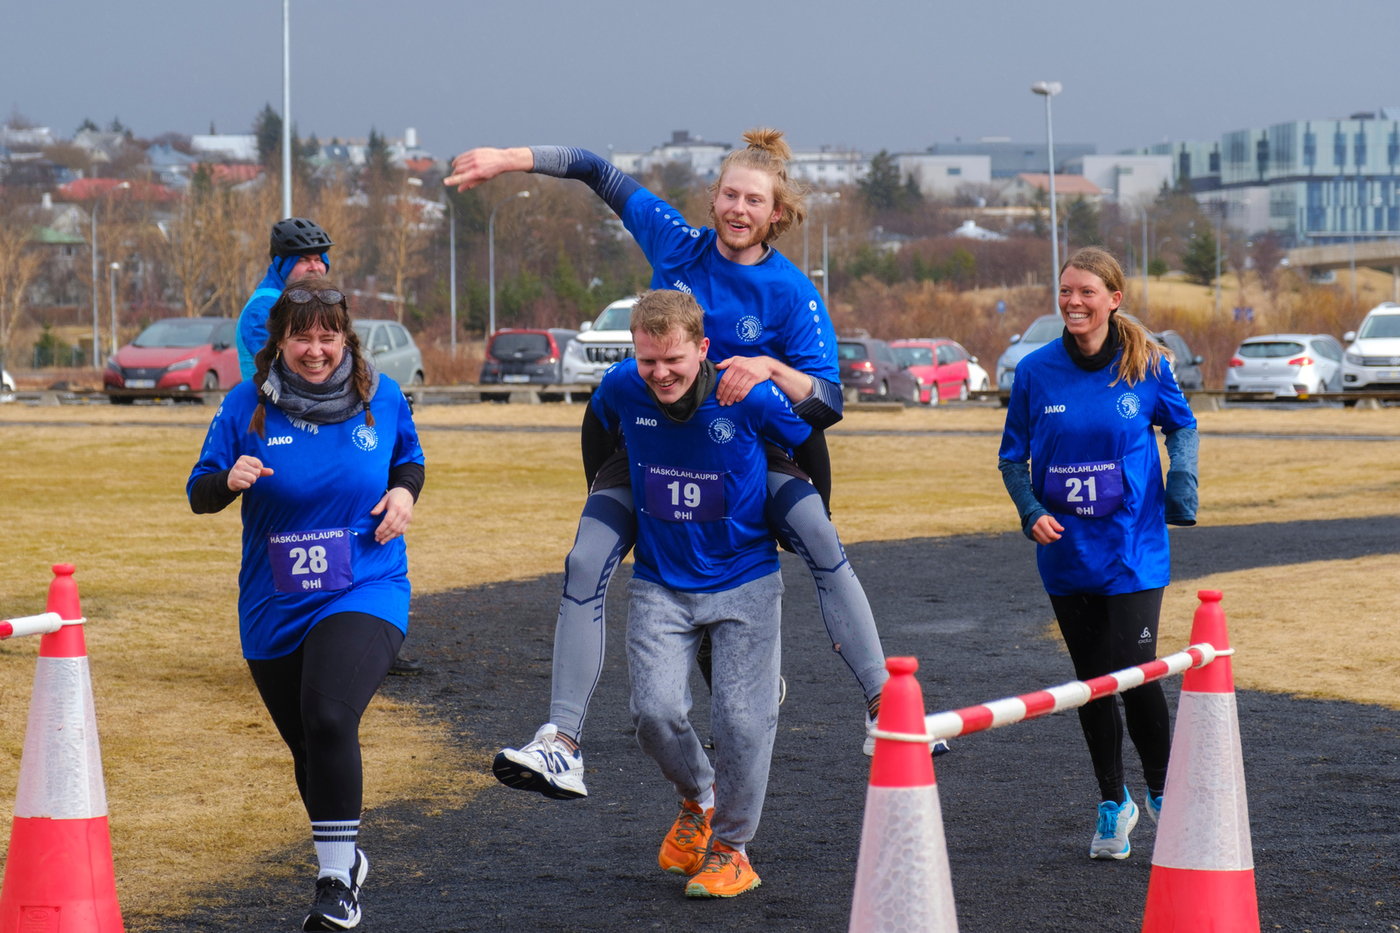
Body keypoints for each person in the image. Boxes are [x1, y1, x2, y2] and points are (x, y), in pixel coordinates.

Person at [447, 130, 912, 802]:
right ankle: (561, 742)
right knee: (584, 560)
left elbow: (828, 403)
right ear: (713, 196)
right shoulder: (675, 244)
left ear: (777, 213)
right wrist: (508, 160)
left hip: (747, 447)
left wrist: (769, 366)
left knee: (818, 534)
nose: (738, 208)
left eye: (754, 200)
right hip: (653, 446)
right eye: (730, 194)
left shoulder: (790, 292)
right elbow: (595, 170)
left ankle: (885, 706)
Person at [189, 279, 425, 930]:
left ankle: (334, 885)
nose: (316, 350)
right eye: (302, 337)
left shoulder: (380, 396)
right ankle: (344, 857)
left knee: (328, 715)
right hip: (274, 603)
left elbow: (409, 461)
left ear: (345, 338)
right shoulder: (246, 405)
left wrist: (404, 495)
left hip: (365, 583)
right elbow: (199, 491)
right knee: (308, 746)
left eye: (328, 336)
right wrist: (228, 479)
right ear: (280, 341)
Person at [592, 289, 809, 897]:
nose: (660, 373)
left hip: (746, 580)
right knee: (653, 713)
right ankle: (700, 799)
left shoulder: (746, 396)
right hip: (660, 581)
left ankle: (733, 850)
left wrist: (808, 510)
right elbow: (597, 426)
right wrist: (601, 495)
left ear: (703, 349)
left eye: (674, 360)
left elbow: (812, 429)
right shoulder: (622, 386)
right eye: (648, 360)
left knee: (741, 721)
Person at [997, 246, 1198, 861]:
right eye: (1066, 291)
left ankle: (1165, 794)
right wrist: (1031, 511)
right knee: (1091, 683)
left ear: (1114, 299)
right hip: (1067, 554)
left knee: (1134, 673)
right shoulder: (1035, 371)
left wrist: (1182, 482)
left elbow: (1182, 425)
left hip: (1134, 549)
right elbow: (1012, 458)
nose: (1073, 302)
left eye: (1086, 291)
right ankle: (1115, 804)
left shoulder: (1148, 363)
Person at [237, 217, 335, 381]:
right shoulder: (262, 309)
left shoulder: (305, 301)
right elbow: (285, 370)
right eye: (303, 260)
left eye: (319, 260)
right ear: (282, 265)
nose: (314, 268)